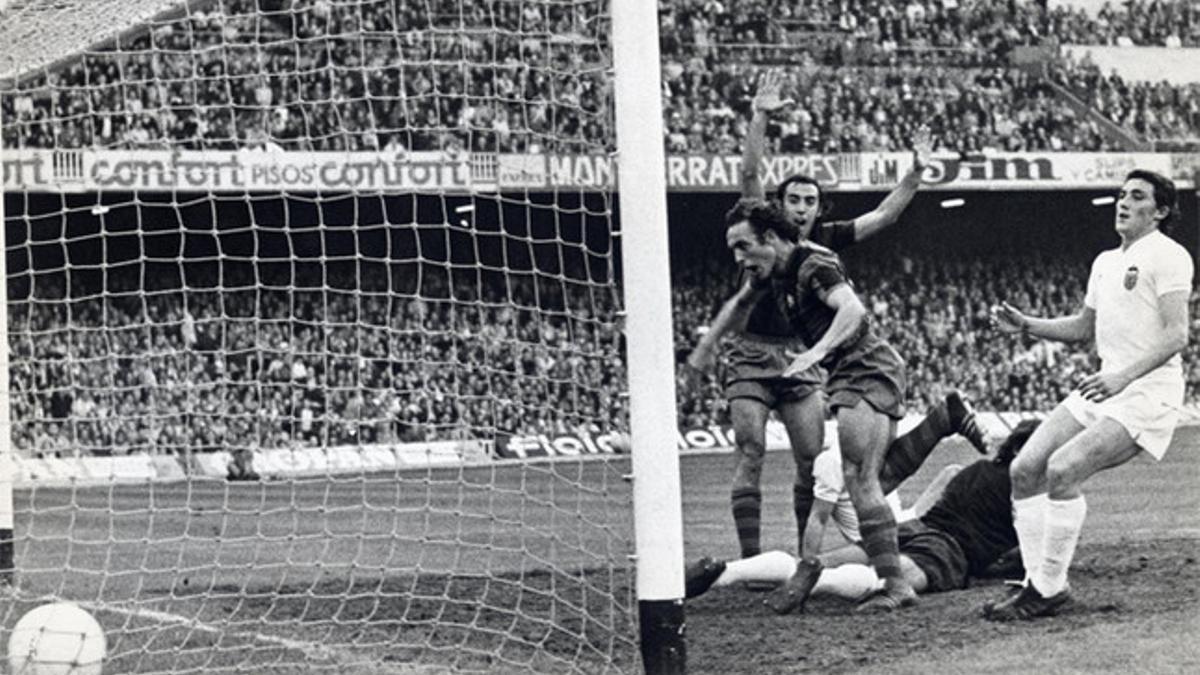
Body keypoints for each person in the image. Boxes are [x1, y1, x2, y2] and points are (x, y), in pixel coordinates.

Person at [685, 69, 942, 568]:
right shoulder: (760, 241)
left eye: (809, 202)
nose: (801, 209)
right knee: (752, 447)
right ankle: (753, 560)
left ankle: (806, 558)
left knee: (812, 463)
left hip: (805, 360)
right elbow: (748, 180)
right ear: (778, 208)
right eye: (793, 201)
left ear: (818, 209)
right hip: (755, 352)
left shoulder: (821, 248)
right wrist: (759, 116)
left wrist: (915, 172)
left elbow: (885, 216)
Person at [983, 170, 1192, 621]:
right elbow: (1083, 327)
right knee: (1024, 469)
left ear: (1159, 211)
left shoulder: (1170, 256)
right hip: (1104, 387)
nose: (1123, 202)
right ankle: (1039, 581)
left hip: (1146, 393)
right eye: (1121, 194)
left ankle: (1047, 590)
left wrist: (1122, 378)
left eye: (1137, 197)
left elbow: (1177, 336)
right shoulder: (1104, 261)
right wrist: (1027, 324)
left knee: (1063, 469)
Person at [705, 199, 919, 612]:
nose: (738, 257)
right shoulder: (783, 272)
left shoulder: (810, 265)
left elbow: (853, 311)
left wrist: (815, 352)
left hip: (865, 369)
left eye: (743, 246)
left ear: (769, 238)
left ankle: (896, 585)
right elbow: (741, 304)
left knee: (860, 477)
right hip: (856, 372)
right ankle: (893, 582)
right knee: (864, 478)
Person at [686, 420, 1041, 609]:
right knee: (885, 580)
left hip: (907, 528)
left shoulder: (974, 469)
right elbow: (1027, 555)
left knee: (811, 561)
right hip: (946, 552)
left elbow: (948, 483)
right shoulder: (1026, 490)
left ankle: (724, 573)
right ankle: (818, 584)